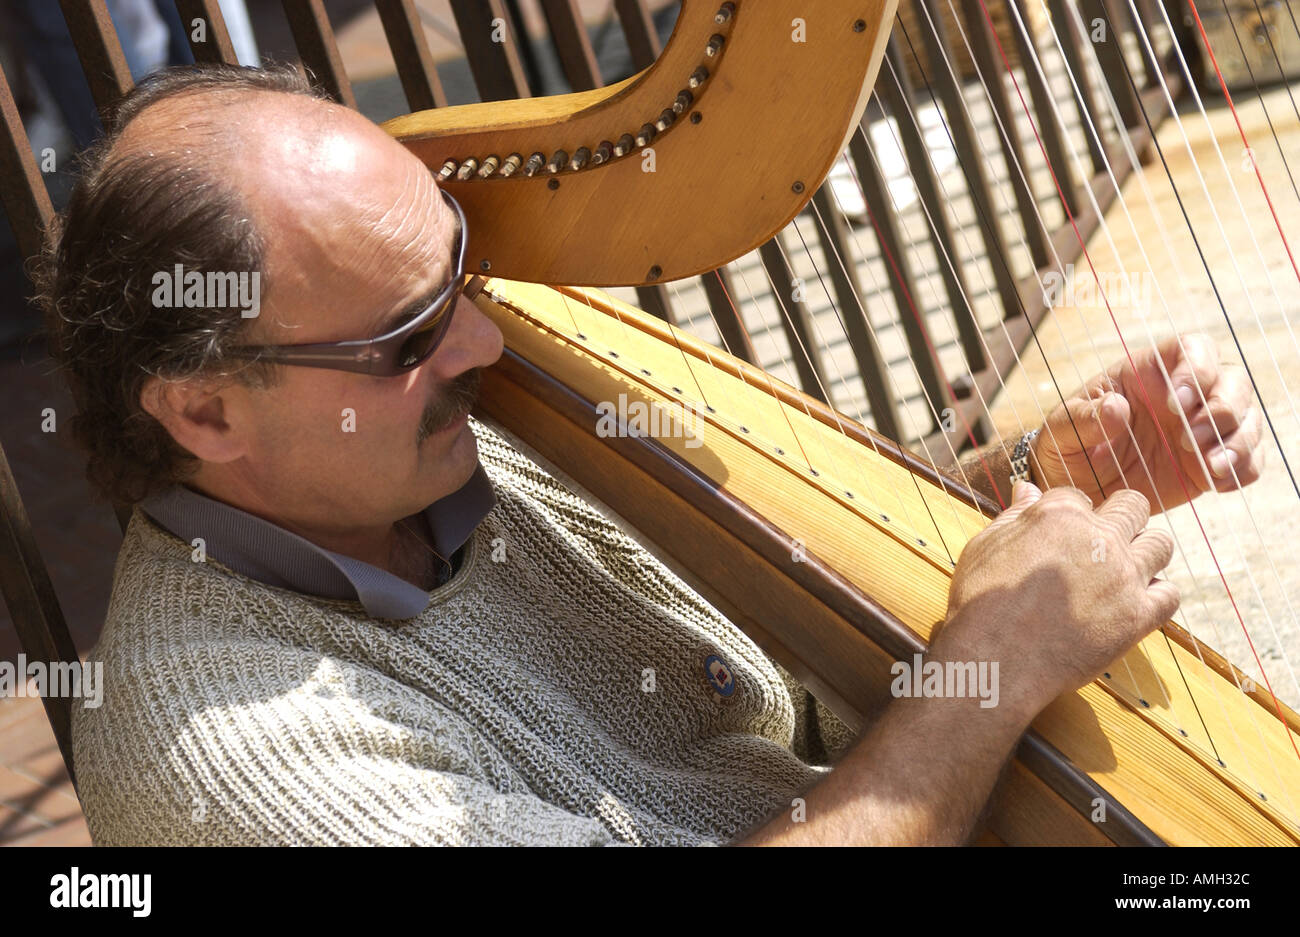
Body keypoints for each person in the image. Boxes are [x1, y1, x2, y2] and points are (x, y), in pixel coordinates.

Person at [39, 64, 1264, 845]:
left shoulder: (449, 455)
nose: (482, 337)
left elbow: (807, 642)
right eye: (407, 332)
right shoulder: (224, 753)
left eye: (456, 268)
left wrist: (1027, 490)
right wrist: (988, 674)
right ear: (205, 413)